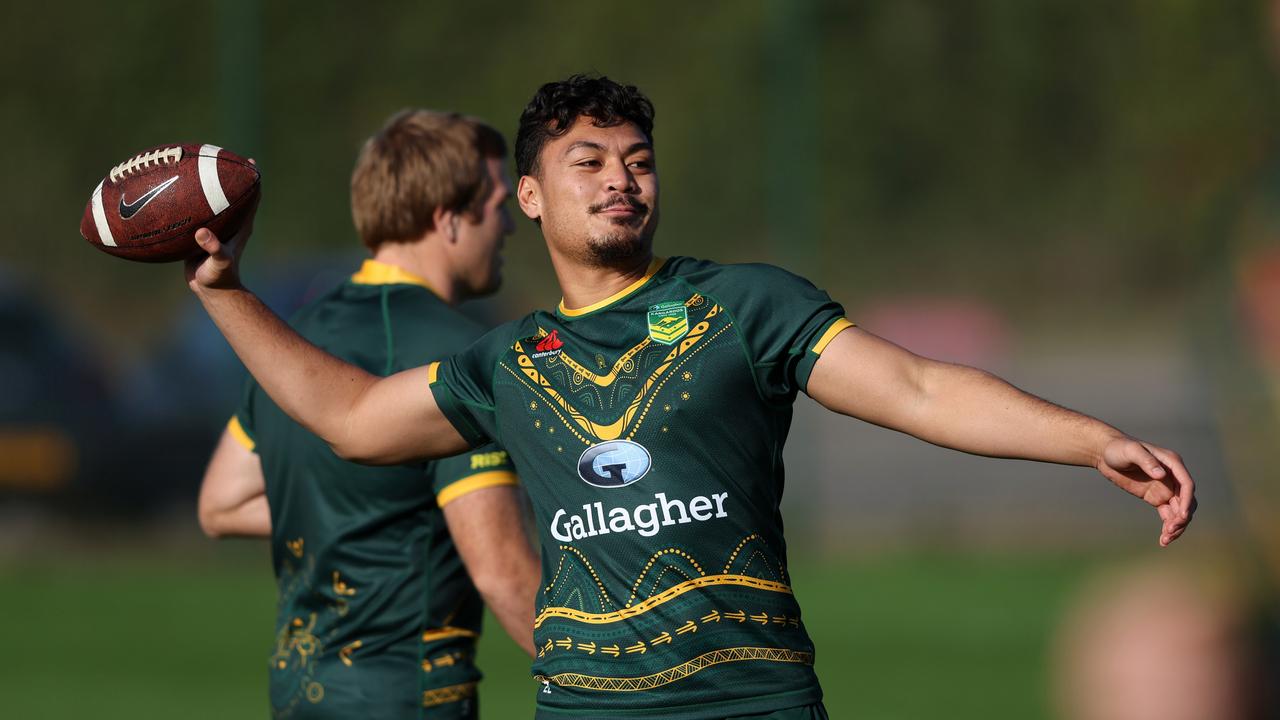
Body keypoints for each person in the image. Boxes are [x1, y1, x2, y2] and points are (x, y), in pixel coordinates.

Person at [182, 76, 1196, 720]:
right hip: (586, 708)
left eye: (637, 161)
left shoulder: (742, 304)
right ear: (526, 196)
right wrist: (226, 293)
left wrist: (1087, 439)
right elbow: (353, 421)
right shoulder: (509, 360)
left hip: (749, 698)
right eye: (586, 163)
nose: (619, 180)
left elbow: (919, 387)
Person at [195, 109, 539, 720]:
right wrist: (632, 694)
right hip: (409, 697)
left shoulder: (291, 344)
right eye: (496, 204)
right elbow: (503, 576)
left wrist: (374, 511)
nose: (509, 225)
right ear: (448, 219)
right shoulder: (461, 354)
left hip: (298, 693)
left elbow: (221, 504)